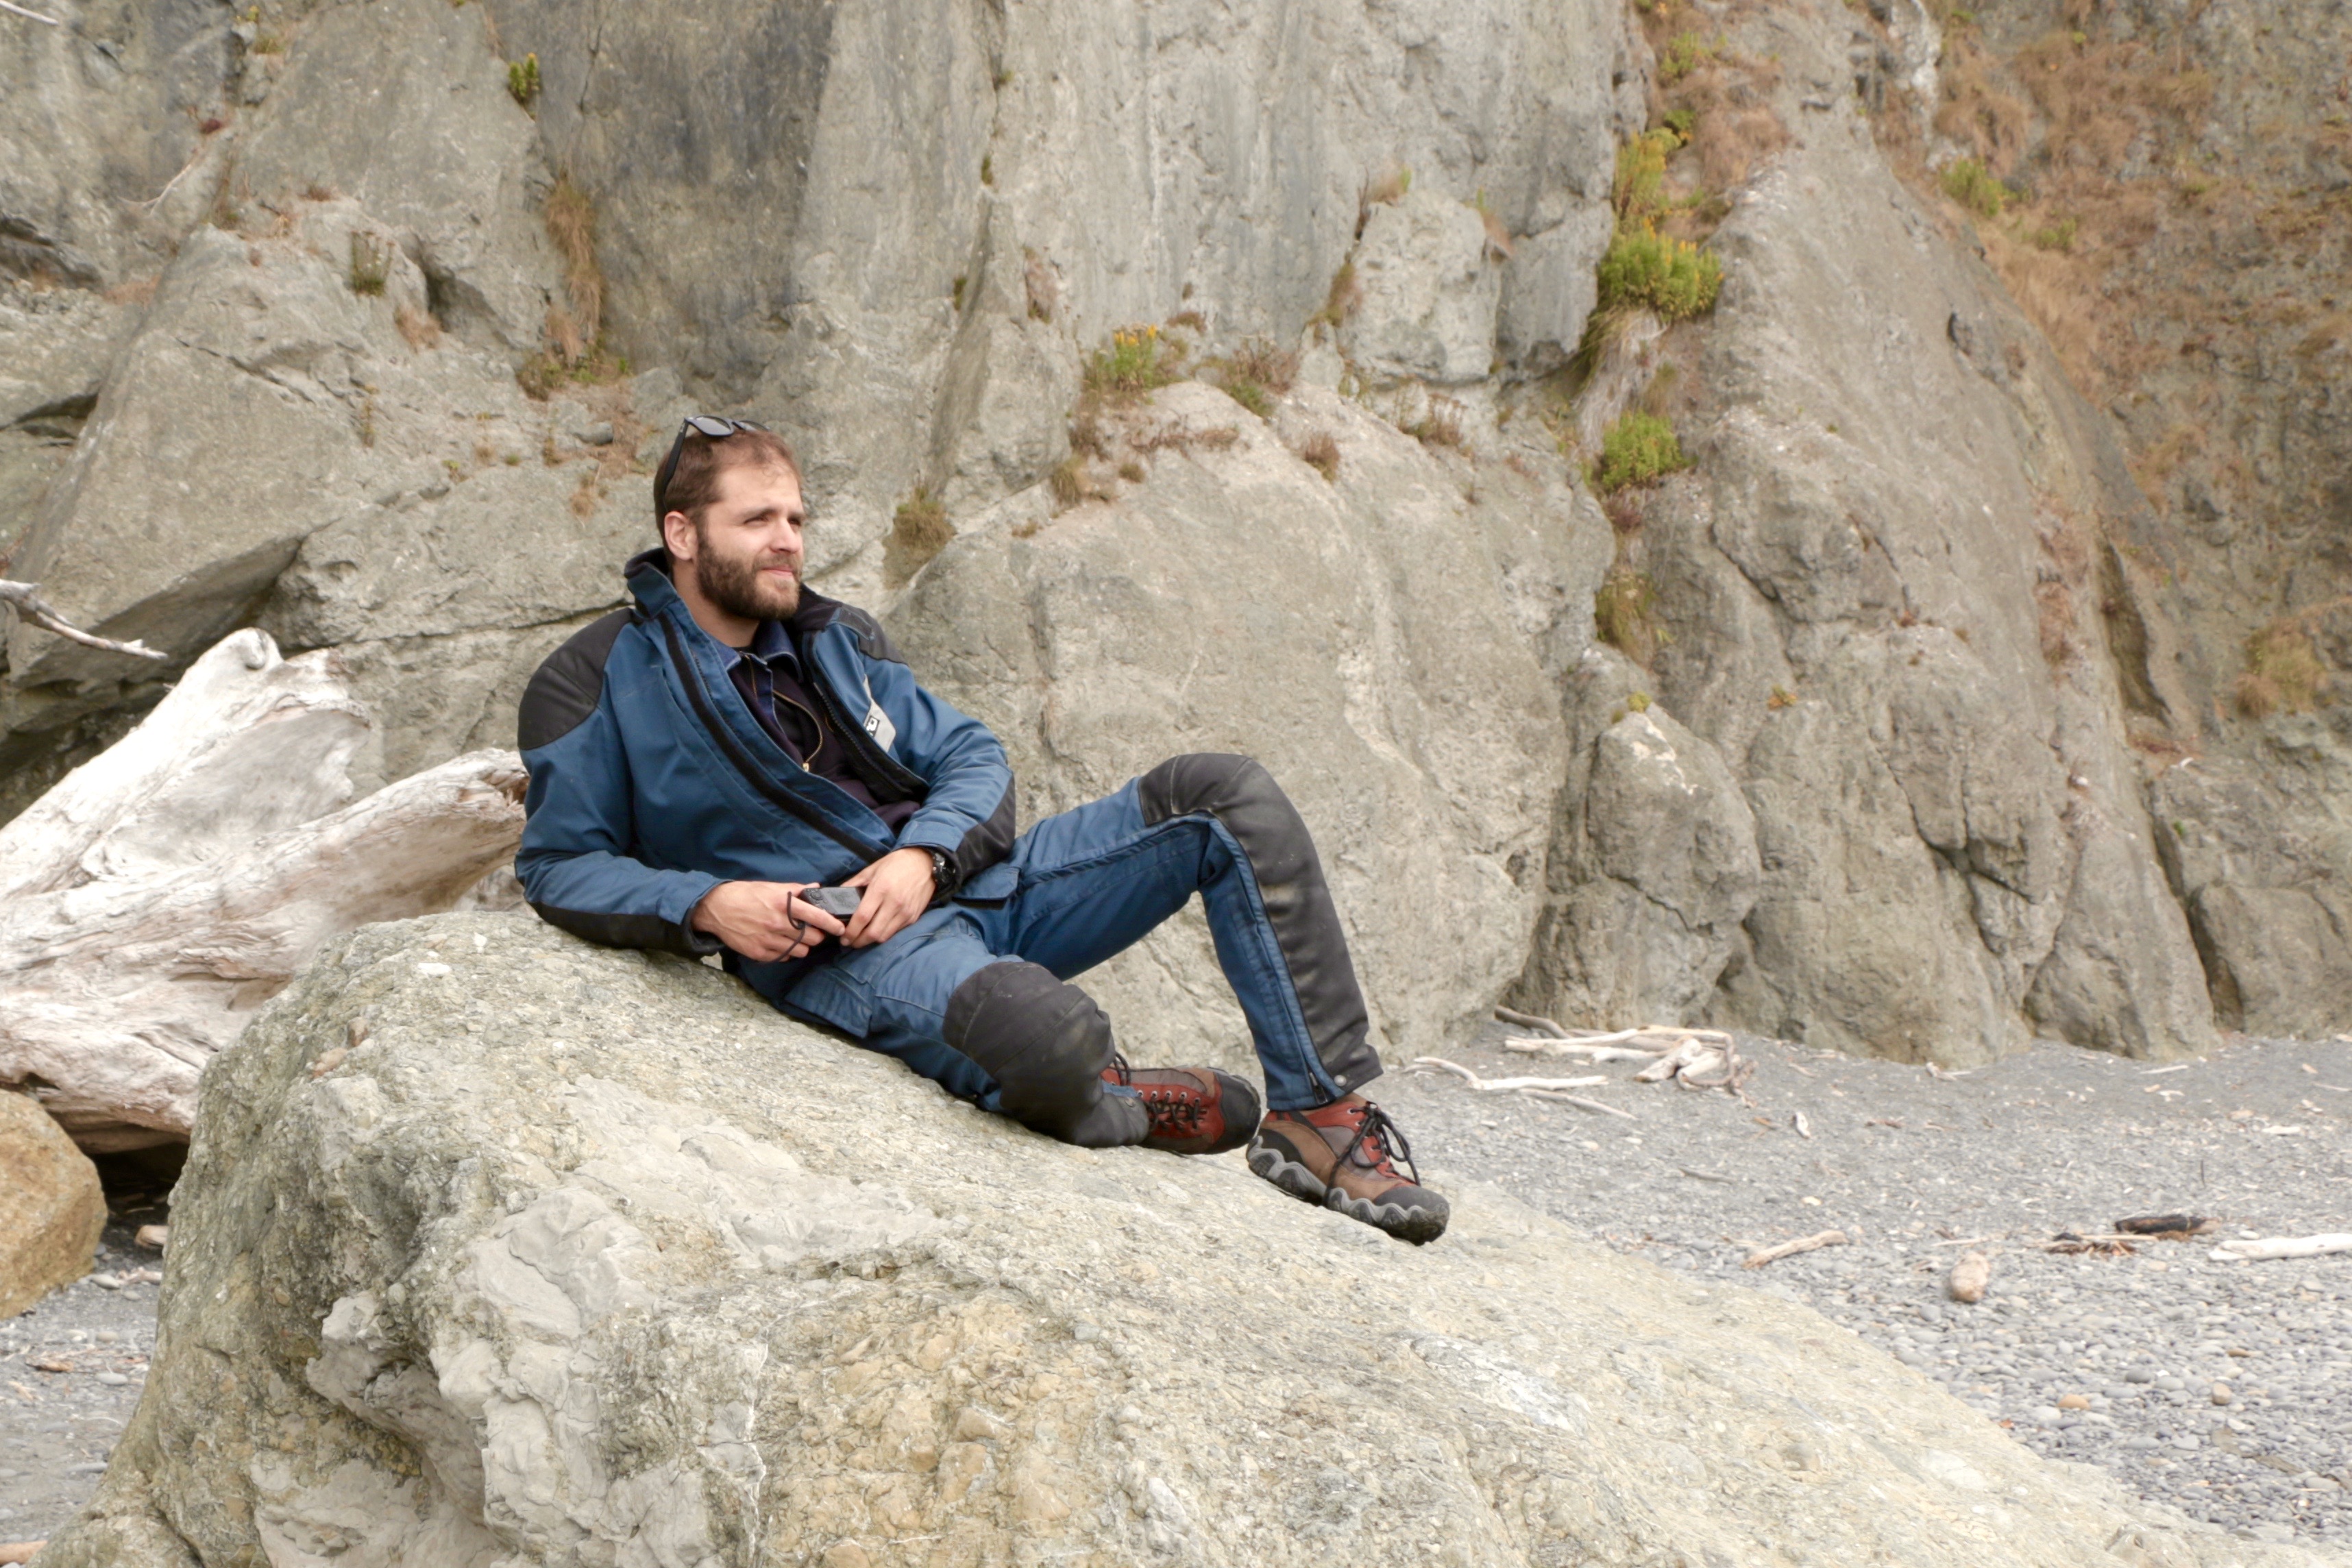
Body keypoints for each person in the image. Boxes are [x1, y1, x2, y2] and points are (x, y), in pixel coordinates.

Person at [515, 417, 1448, 1243]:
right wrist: (710, 904)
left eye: (796, 520)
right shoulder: (593, 680)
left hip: (973, 889)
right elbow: (560, 866)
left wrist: (924, 856)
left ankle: (1318, 1116)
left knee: (1222, 796)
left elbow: (973, 755)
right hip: (850, 955)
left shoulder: (838, 640)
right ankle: (1114, 1092)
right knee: (1045, 1033)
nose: (787, 543)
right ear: (681, 534)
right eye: (757, 522)